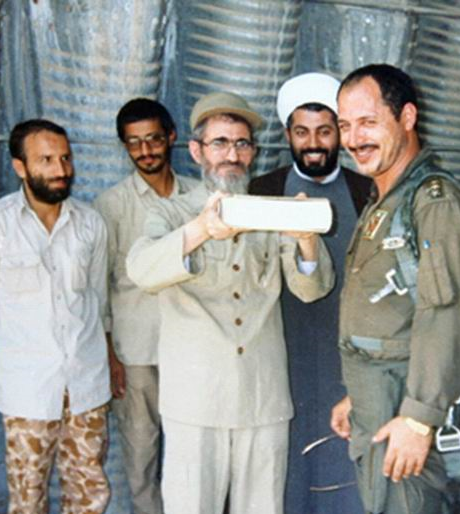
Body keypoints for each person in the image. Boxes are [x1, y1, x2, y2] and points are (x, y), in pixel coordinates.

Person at [125, 91, 334, 514]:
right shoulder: (172, 214)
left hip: (263, 398)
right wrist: (201, 229)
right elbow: (142, 271)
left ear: (253, 152)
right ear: (197, 151)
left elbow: (312, 288)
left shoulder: (271, 211)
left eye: (241, 144)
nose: (232, 155)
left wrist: (306, 240)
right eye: (220, 143)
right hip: (196, 400)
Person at [329, 64, 460, 514]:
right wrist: (358, 393)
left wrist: (420, 419)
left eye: (368, 122)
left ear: (407, 117)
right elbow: (392, 309)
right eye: (345, 125)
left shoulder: (435, 204)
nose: (353, 138)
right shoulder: (388, 199)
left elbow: (452, 316)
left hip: (405, 407)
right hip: (381, 398)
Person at [0, 119, 111, 513]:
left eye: (65, 158)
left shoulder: (90, 224)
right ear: (20, 167)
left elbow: (98, 303)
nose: (61, 169)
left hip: (87, 389)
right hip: (28, 393)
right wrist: (26, 356)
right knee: (27, 498)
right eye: (46, 160)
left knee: (90, 496)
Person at [249, 72, 370, 514]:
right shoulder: (263, 189)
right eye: (302, 132)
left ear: (340, 132)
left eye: (324, 131)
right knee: (288, 458)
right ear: (288, 135)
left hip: (348, 346)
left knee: (344, 453)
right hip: (285, 346)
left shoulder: (366, 189)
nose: (314, 143)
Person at [94, 98, 198, 513]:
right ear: (124, 146)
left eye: (153, 139)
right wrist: (110, 356)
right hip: (137, 353)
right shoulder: (111, 206)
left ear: (171, 137)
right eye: (134, 143)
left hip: (194, 349)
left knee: (193, 455)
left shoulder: (200, 195)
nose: (145, 151)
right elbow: (98, 288)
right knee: (141, 458)